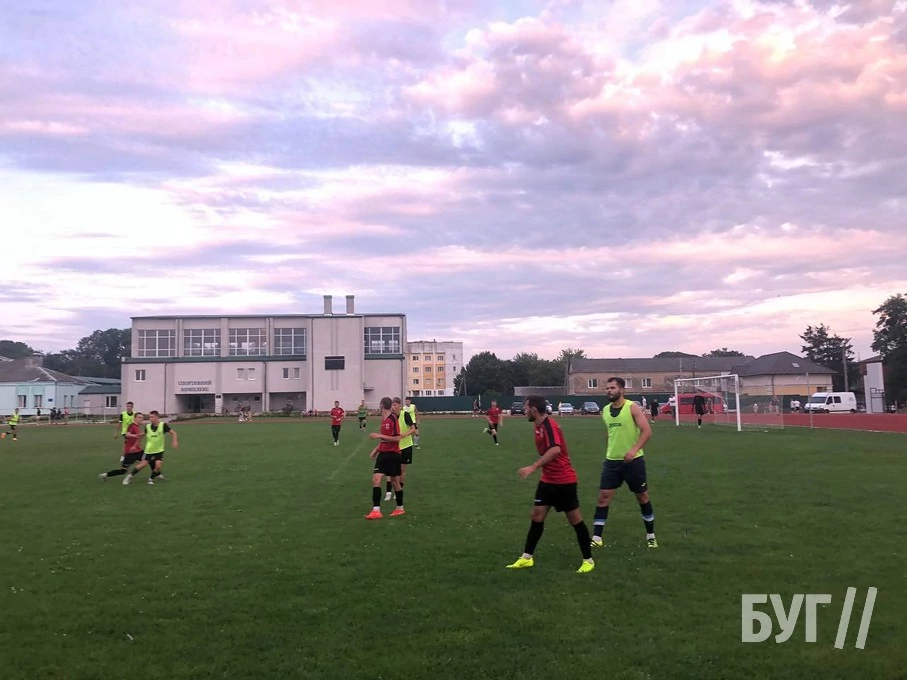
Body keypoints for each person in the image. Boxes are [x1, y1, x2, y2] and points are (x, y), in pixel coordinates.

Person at [506, 395, 595, 573]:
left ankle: (588, 560)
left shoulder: (549, 425)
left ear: (534, 409)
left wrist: (533, 467)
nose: (524, 411)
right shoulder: (537, 425)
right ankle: (526, 558)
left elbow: (555, 450)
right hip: (547, 480)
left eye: (526, 407)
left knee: (575, 519)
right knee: (537, 516)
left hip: (563, 481)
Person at [592, 377, 657, 549]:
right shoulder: (605, 410)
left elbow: (647, 431)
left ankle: (650, 535)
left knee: (642, 497)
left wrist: (634, 449)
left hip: (634, 462)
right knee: (603, 497)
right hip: (612, 462)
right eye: (607, 388)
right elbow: (610, 433)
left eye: (612, 388)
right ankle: (597, 538)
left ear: (622, 390)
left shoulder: (632, 407)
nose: (609, 391)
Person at [365, 397, 406, 519]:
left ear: (382, 405)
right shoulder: (383, 420)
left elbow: (397, 438)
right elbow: (384, 440)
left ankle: (400, 508)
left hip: (393, 455)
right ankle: (376, 511)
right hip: (383, 455)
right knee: (376, 480)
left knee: (395, 482)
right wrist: (376, 450)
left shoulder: (393, 419)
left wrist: (379, 435)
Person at [125, 410, 178, 485]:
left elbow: (173, 433)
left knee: (158, 466)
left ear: (157, 417)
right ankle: (130, 476)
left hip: (159, 450)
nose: (150, 419)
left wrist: (174, 441)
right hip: (149, 450)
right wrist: (134, 446)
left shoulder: (163, 425)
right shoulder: (148, 426)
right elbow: (141, 436)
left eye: (152, 417)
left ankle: (150, 479)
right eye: (150, 417)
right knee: (142, 465)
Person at [386, 397, 417, 501]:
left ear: (399, 405)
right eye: (392, 405)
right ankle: (388, 492)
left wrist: (405, 435)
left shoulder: (405, 415)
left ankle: (399, 490)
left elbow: (413, 429)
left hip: (406, 445)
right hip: (394, 446)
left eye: (395, 405)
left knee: (402, 469)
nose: (393, 407)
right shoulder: (390, 417)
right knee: (391, 469)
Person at [100, 413, 145, 481]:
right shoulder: (132, 426)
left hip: (138, 450)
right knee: (123, 471)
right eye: (140, 417)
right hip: (130, 452)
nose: (141, 419)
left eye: (142, 418)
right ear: (135, 418)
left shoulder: (137, 427)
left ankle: (157, 474)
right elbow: (127, 434)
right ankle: (105, 475)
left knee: (149, 459)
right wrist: (135, 436)